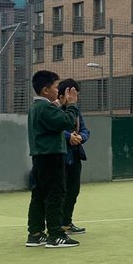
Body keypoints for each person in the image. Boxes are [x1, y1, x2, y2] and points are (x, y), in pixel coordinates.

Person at [26, 69, 79, 249]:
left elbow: (54, 121)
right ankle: (55, 234)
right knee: (55, 194)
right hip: (51, 156)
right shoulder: (45, 107)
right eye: (56, 87)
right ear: (45, 90)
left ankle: (35, 233)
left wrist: (59, 107)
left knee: (39, 194)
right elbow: (66, 122)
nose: (59, 91)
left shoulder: (36, 107)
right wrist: (71, 105)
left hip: (40, 157)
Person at [57, 78, 90, 235]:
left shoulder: (76, 111)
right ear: (65, 94)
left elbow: (85, 130)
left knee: (73, 190)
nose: (76, 97)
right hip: (59, 157)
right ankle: (54, 225)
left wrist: (80, 137)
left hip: (75, 156)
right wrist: (68, 136)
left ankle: (66, 223)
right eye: (73, 93)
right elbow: (53, 129)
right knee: (58, 192)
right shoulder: (54, 109)